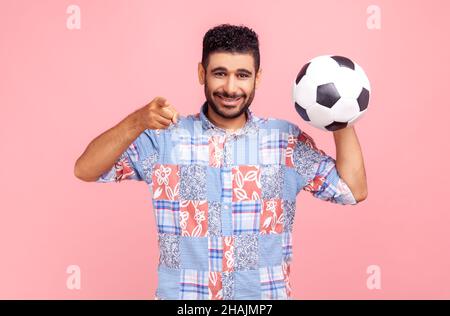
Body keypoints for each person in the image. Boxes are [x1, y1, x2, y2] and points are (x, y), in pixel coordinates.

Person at [74, 24, 368, 300]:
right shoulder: (164, 138)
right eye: (219, 73)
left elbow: (352, 190)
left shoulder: (285, 141)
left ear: (258, 77)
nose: (230, 88)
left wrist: (342, 114)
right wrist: (136, 121)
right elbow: (86, 169)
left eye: (242, 75)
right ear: (201, 73)